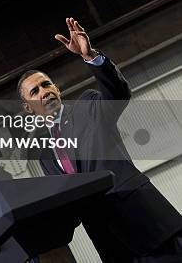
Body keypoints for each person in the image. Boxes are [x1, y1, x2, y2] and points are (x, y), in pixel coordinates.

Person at [17, 17, 182, 262]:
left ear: (58, 89)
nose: (44, 91)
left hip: (147, 223)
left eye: (47, 84)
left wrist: (89, 55)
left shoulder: (88, 105)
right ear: (28, 108)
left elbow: (118, 92)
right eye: (35, 91)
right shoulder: (45, 156)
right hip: (110, 243)